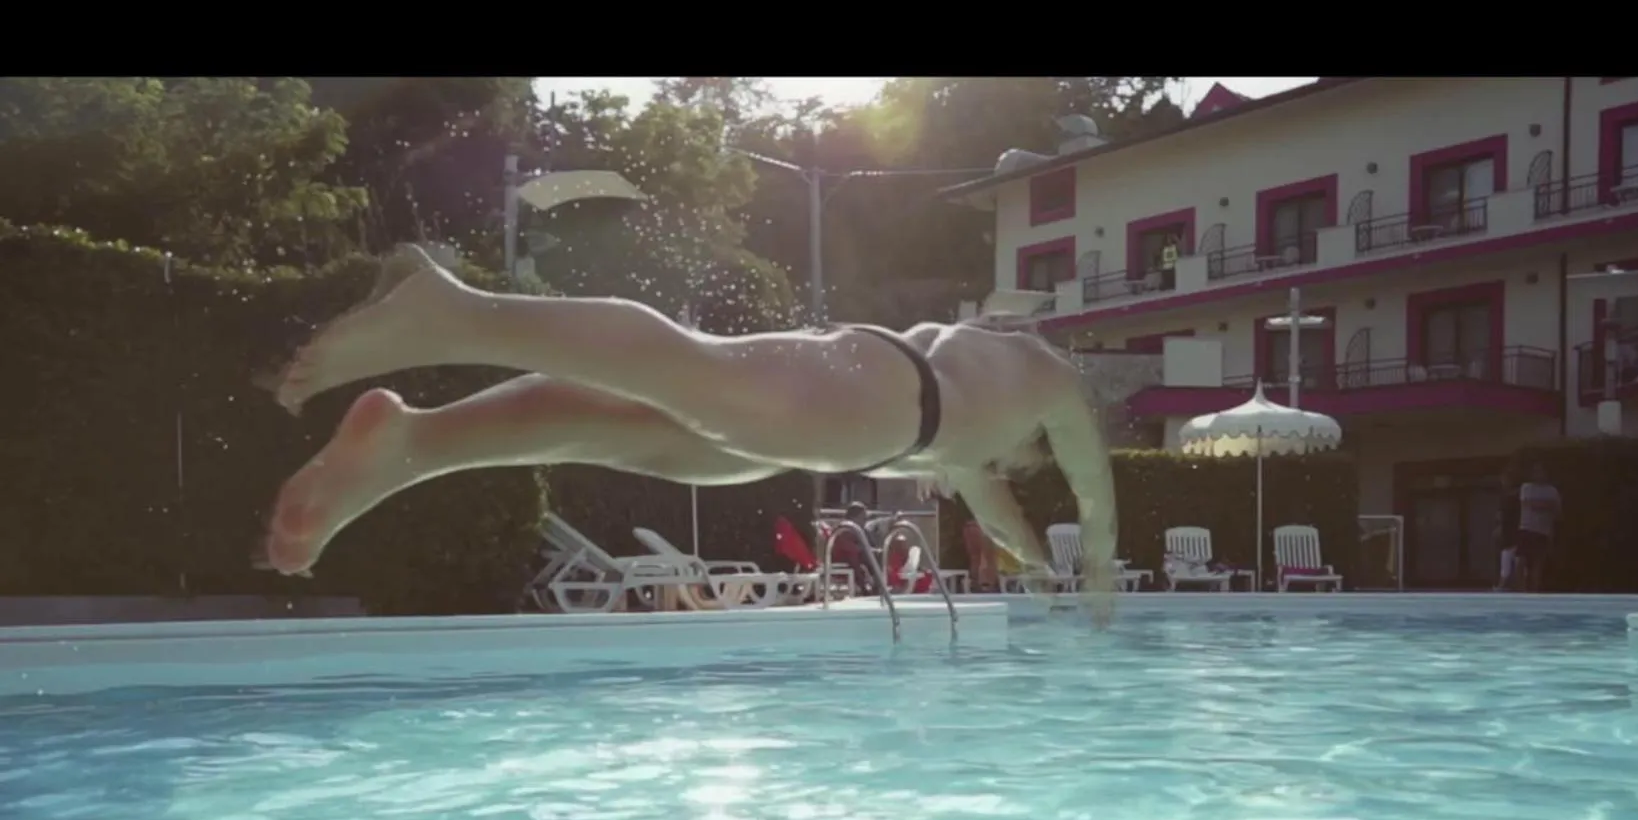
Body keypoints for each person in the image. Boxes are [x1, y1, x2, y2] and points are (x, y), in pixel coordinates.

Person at [253, 244, 1120, 623]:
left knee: (615, 424)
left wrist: (1042, 573)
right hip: (873, 400)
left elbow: (999, 512)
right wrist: (1100, 583)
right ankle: (457, 314)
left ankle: (416, 446)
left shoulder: (982, 408)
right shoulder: (1053, 385)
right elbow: (1094, 493)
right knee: (682, 366)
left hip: (862, 402)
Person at [1516, 462, 1562, 593]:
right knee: (1521, 561)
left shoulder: (1552, 491)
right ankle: (1521, 591)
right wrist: (1547, 505)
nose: (1538, 474)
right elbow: (1529, 503)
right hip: (1526, 529)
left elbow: (1558, 511)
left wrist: (1544, 505)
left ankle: (1535, 591)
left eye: (1541, 471)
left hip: (1542, 531)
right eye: (1536, 471)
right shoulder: (1526, 487)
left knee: (1538, 564)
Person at [1496, 468, 1523, 591]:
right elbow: (1501, 516)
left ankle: (1507, 585)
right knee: (1508, 559)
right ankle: (1506, 585)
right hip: (1508, 533)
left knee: (1513, 560)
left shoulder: (1516, 496)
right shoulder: (1505, 497)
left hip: (1516, 532)